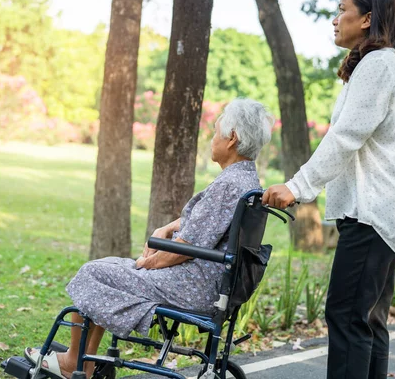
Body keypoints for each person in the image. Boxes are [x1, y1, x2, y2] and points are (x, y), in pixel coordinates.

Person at [26, 98, 274, 379]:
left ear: (232, 139)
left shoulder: (229, 184)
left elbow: (188, 247)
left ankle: (75, 363)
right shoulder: (246, 182)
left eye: (216, 133)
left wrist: (150, 262)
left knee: (93, 272)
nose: (212, 140)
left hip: (193, 286)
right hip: (209, 283)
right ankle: (84, 360)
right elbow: (211, 223)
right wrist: (168, 227)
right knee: (109, 267)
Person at [262, 0, 395, 378]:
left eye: (342, 9)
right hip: (382, 214)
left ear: (366, 20)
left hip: (373, 213)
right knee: (368, 321)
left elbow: (346, 136)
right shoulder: (378, 64)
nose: (335, 18)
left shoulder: (380, 64)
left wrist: (297, 187)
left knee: (347, 315)